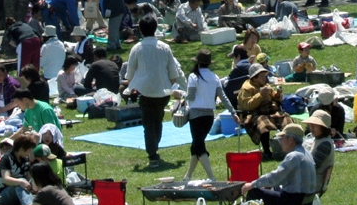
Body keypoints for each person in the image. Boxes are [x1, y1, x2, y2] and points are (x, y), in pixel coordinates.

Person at [124, 14, 186, 169]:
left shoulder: (137, 48)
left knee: (148, 123)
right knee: (157, 120)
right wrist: (169, 86)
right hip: (162, 91)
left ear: (140, 30)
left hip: (145, 91)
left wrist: (131, 84)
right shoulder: (164, 47)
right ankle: (154, 148)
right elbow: (173, 72)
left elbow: (129, 72)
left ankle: (152, 153)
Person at [182, 48, 235, 181]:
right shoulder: (215, 77)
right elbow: (223, 97)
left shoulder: (193, 77)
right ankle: (187, 176)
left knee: (199, 146)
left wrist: (180, 94)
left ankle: (211, 176)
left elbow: (191, 96)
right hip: (209, 116)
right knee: (196, 144)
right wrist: (233, 111)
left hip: (196, 116)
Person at [241, 124, 316, 205]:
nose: (280, 142)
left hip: (293, 203)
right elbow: (279, 179)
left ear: (291, 140)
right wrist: (266, 183)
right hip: (306, 201)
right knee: (274, 186)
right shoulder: (306, 153)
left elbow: (275, 177)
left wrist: (252, 184)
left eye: (282, 138)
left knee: (254, 192)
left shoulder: (294, 156)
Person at [238, 63, 292, 161]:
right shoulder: (247, 88)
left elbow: (274, 98)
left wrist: (278, 94)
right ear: (254, 78)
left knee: (286, 117)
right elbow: (247, 106)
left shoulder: (265, 85)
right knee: (263, 123)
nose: (264, 78)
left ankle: (290, 147)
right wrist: (260, 95)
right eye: (262, 76)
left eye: (265, 75)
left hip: (269, 111)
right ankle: (267, 152)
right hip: (255, 113)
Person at [0, 134, 37, 205]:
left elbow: (28, 176)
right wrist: (21, 182)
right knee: (20, 184)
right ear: (23, 148)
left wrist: (32, 185)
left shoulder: (24, 159)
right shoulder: (6, 158)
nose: (29, 153)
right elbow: (6, 179)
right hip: (2, 195)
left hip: (19, 191)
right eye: (29, 150)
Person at [303, 110, 335, 194]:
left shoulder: (325, 145)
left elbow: (310, 167)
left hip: (311, 185)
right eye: (311, 125)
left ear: (323, 127)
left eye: (314, 126)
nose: (311, 128)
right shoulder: (319, 140)